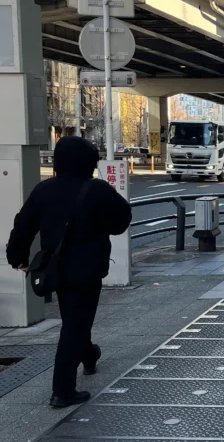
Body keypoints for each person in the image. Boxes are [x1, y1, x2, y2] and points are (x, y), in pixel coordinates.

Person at [6, 136, 132, 408]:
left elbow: (23, 225)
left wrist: (16, 257)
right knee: (75, 324)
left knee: (74, 319)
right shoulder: (97, 190)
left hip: (56, 269)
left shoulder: (44, 190)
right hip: (87, 269)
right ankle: (63, 391)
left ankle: (89, 354)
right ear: (89, 163)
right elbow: (121, 221)